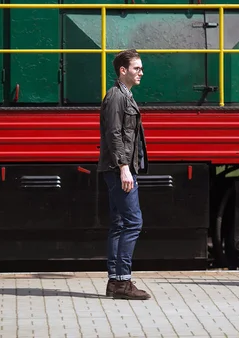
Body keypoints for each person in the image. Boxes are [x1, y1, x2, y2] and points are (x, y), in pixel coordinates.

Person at [97, 49, 150, 300]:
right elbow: (114, 134)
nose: (141, 72)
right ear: (123, 70)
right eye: (136, 68)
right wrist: (124, 168)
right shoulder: (117, 97)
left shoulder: (124, 95)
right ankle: (124, 281)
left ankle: (116, 282)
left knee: (119, 224)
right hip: (119, 169)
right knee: (133, 222)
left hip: (118, 168)